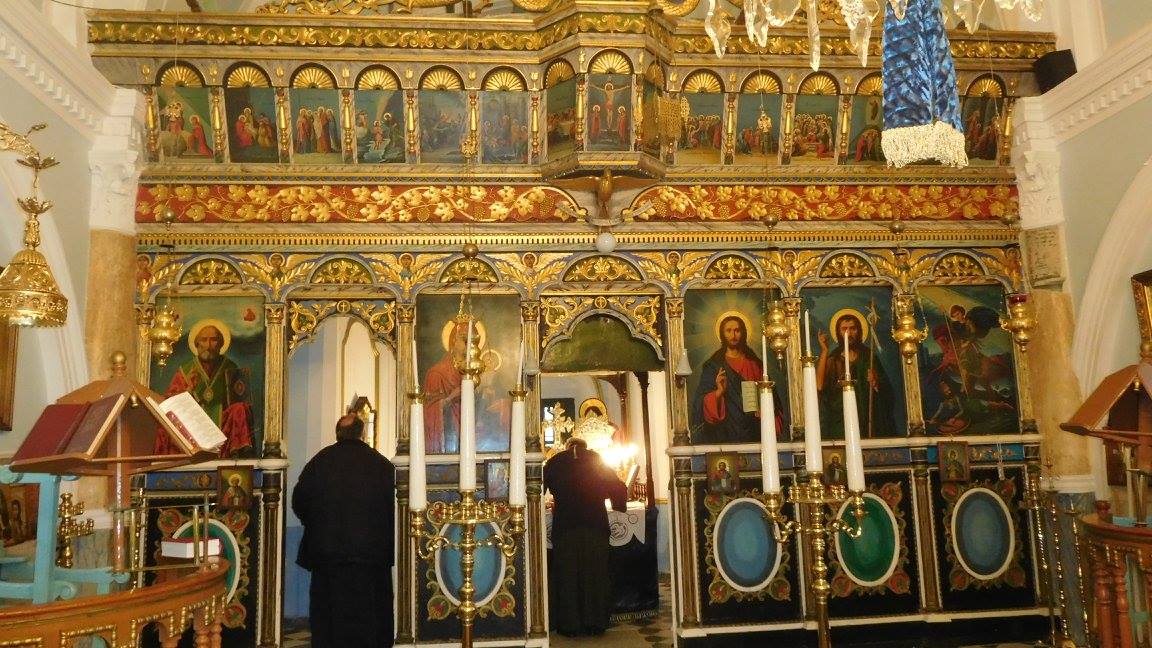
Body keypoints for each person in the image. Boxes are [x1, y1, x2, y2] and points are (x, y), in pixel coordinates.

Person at [293, 414, 396, 648]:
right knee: (371, 619)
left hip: (328, 557)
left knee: (328, 619)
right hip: (371, 558)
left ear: (337, 434)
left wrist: (318, 525)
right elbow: (394, 507)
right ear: (363, 433)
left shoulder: (320, 462)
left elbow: (299, 502)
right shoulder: (380, 464)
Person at [544, 436, 627, 637]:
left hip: (566, 526)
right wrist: (618, 504)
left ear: (567, 447)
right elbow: (617, 487)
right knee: (595, 573)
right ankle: (595, 622)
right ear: (585, 447)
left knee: (567, 573)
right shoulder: (596, 459)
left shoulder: (555, 461)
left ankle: (569, 625)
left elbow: (535, 487)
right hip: (594, 524)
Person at [158, 320, 254, 457]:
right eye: (204, 340)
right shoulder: (186, 370)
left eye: (213, 340)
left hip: (223, 426)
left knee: (240, 408)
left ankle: (236, 454)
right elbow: (170, 404)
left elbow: (242, 401)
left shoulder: (230, 367)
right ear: (197, 344)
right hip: (194, 425)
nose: (208, 345)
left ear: (221, 344)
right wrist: (188, 392)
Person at [690, 314, 786, 443]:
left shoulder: (754, 364)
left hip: (754, 431)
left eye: (737, 330)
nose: (733, 335)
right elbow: (700, 403)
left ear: (743, 333)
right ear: (722, 334)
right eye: (728, 331)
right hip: (725, 433)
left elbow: (770, 395)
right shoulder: (713, 365)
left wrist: (764, 407)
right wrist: (719, 392)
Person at [816, 311, 897, 439]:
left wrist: (876, 383)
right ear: (838, 332)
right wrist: (825, 351)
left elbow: (887, 391)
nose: (849, 333)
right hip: (841, 421)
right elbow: (819, 386)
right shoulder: (834, 359)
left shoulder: (869, 357)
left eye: (853, 328)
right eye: (844, 329)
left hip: (866, 419)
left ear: (859, 331)